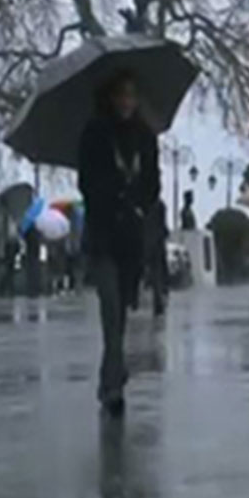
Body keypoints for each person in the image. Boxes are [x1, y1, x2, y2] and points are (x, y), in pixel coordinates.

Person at [77, 69, 161, 418]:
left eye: (132, 95)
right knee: (110, 307)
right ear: (110, 97)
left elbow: (153, 182)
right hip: (102, 232)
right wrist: (112, 193)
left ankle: (111, 369)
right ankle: (113, 384)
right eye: (121, 94)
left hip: (131, 237)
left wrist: (139, 201)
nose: (127, 101)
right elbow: (86, 181)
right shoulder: (94, 134)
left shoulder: (145, 137)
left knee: (123, 308)